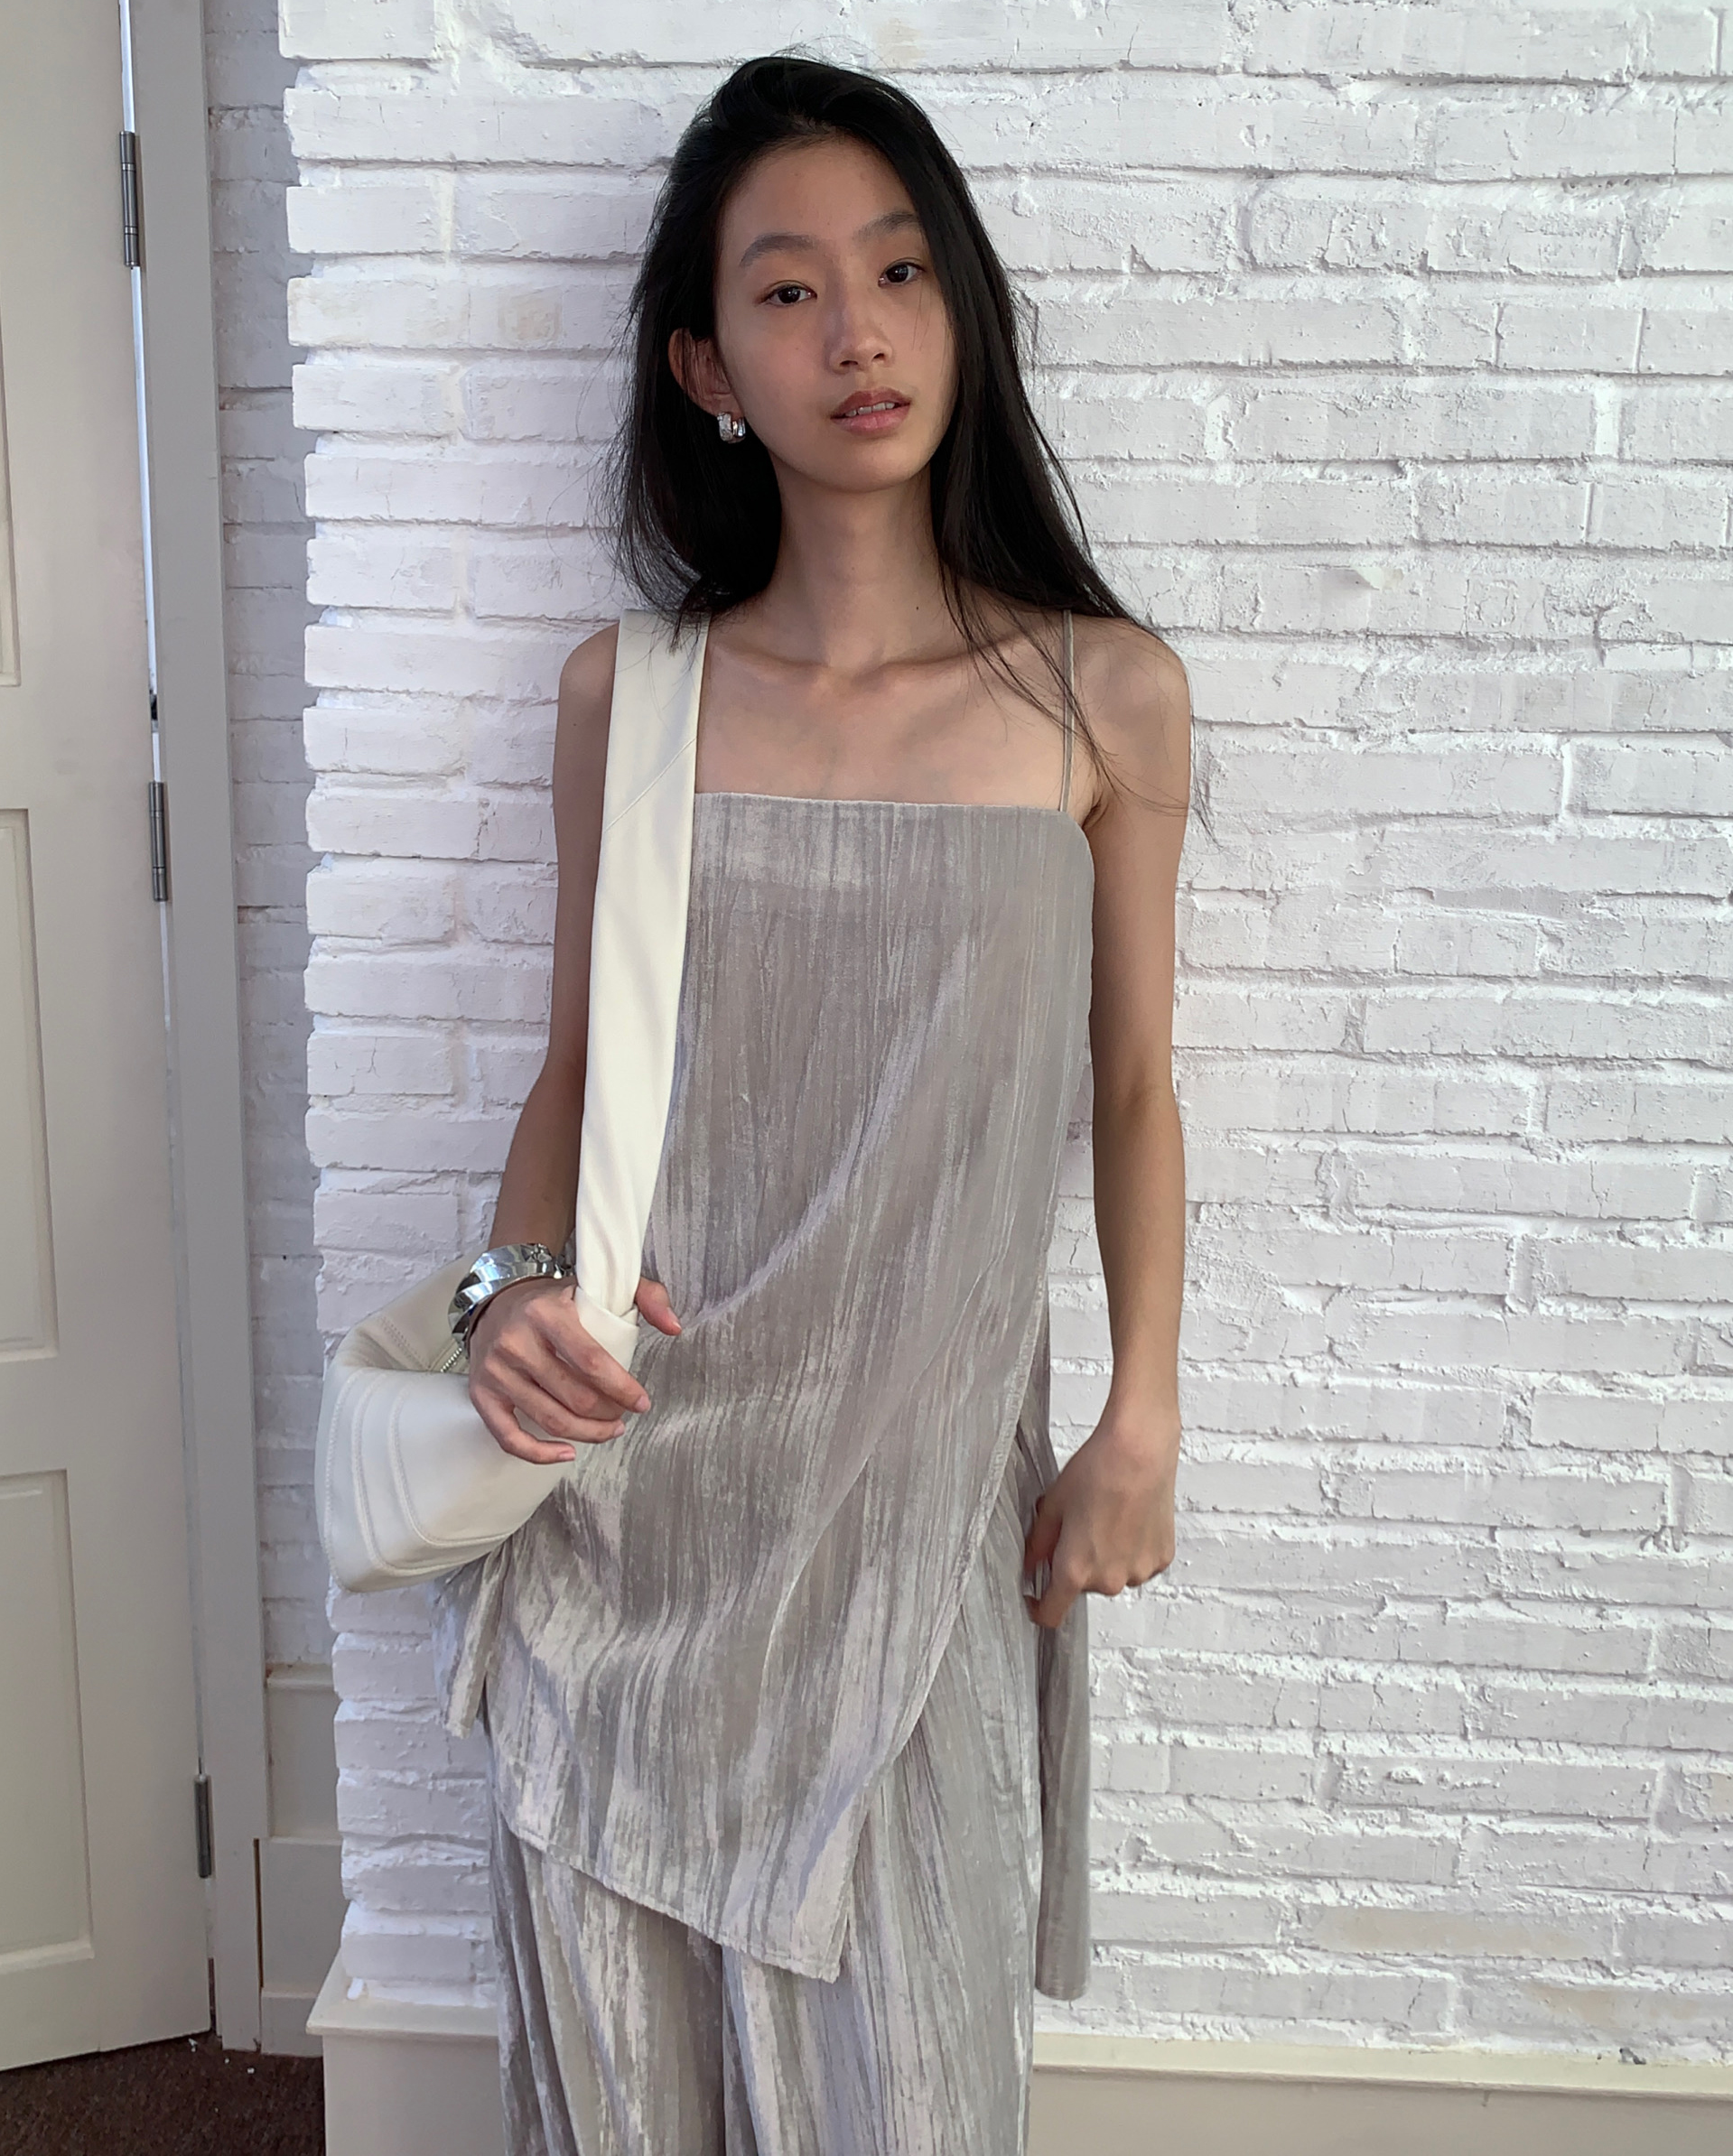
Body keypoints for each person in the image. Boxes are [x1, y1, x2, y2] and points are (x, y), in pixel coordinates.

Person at [431, 51, 1189, 2156]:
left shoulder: (1101, 696)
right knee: (624, 2105)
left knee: (915, 2093)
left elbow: (1134, 1084)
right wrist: (499, 1299)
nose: (857, 330)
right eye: (787, 290)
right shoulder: (633, 699)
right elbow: (578, 1068)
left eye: (900, 269)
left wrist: (1141, 1418)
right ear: (706, 367)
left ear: (961, 311)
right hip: (630, 1507)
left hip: (921, 1524)